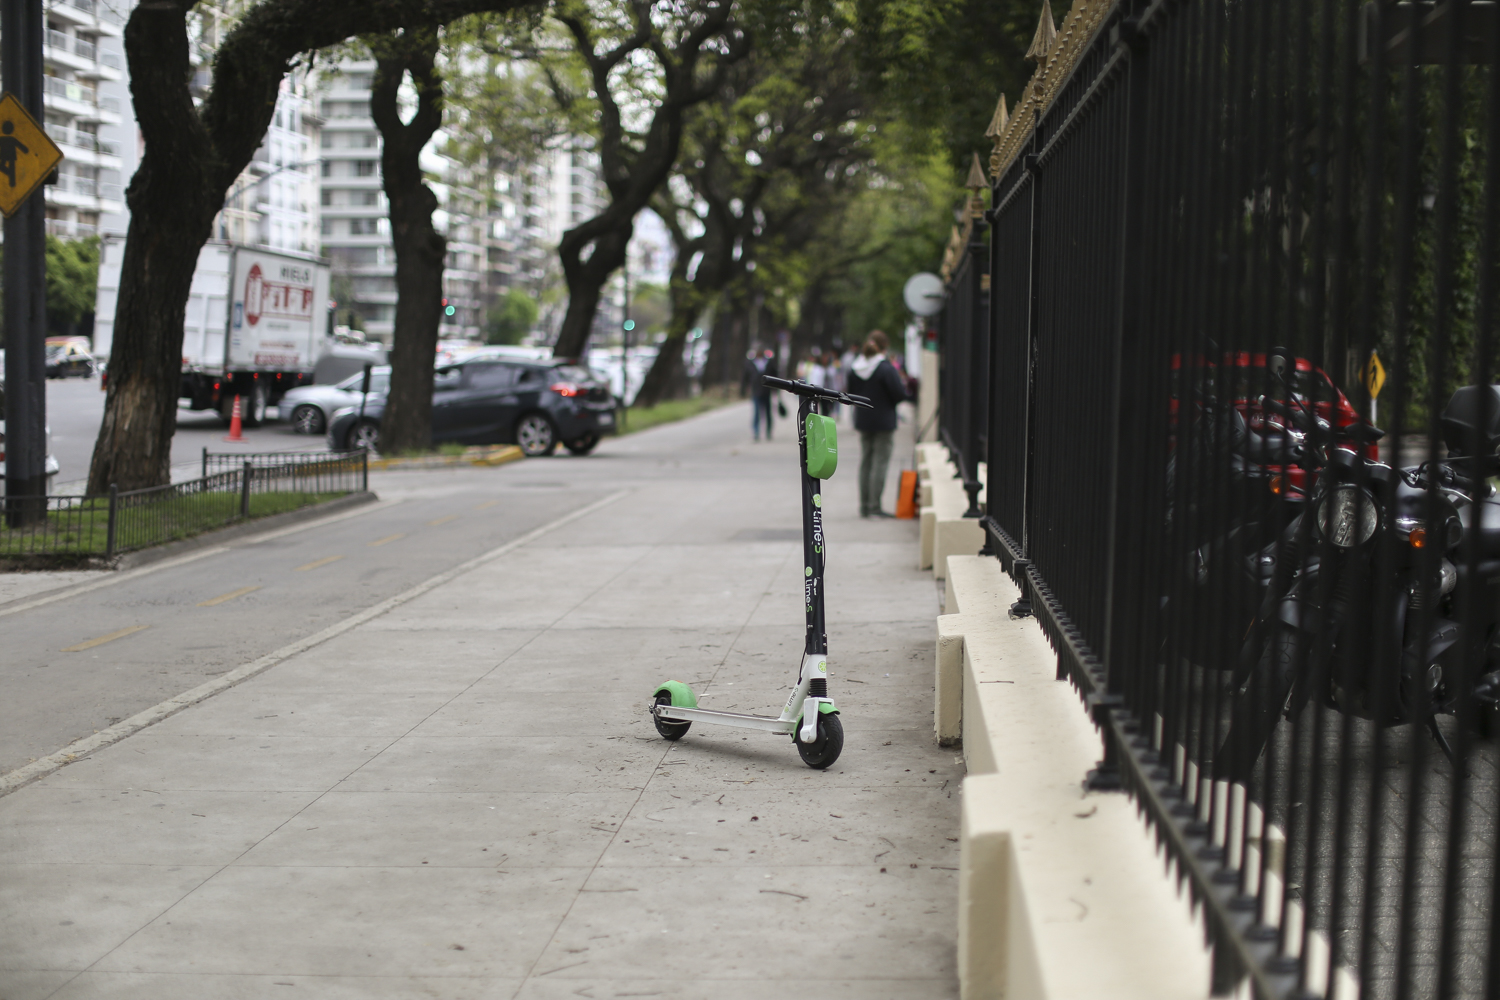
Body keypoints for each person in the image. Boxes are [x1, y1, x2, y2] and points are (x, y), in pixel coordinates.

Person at [846, 330, 909, 518]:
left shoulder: (855, 368)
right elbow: (898, 394)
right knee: (880, 463)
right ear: (884, 347)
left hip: (863, 420)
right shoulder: (886, 369)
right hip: (883, 421)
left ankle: (864, 506)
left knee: (866, 461)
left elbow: (850, 394)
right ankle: (875, 507)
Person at [743, 347, 779, 441]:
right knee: (756, 413)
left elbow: (775, 375)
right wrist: (744, 389)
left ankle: (768, 431)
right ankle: (756, 432)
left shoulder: (769, 362)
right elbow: (746, 377)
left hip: (767, 391)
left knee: (767, 413)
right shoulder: (751, 363)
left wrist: (776, 389)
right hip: (756, 391)